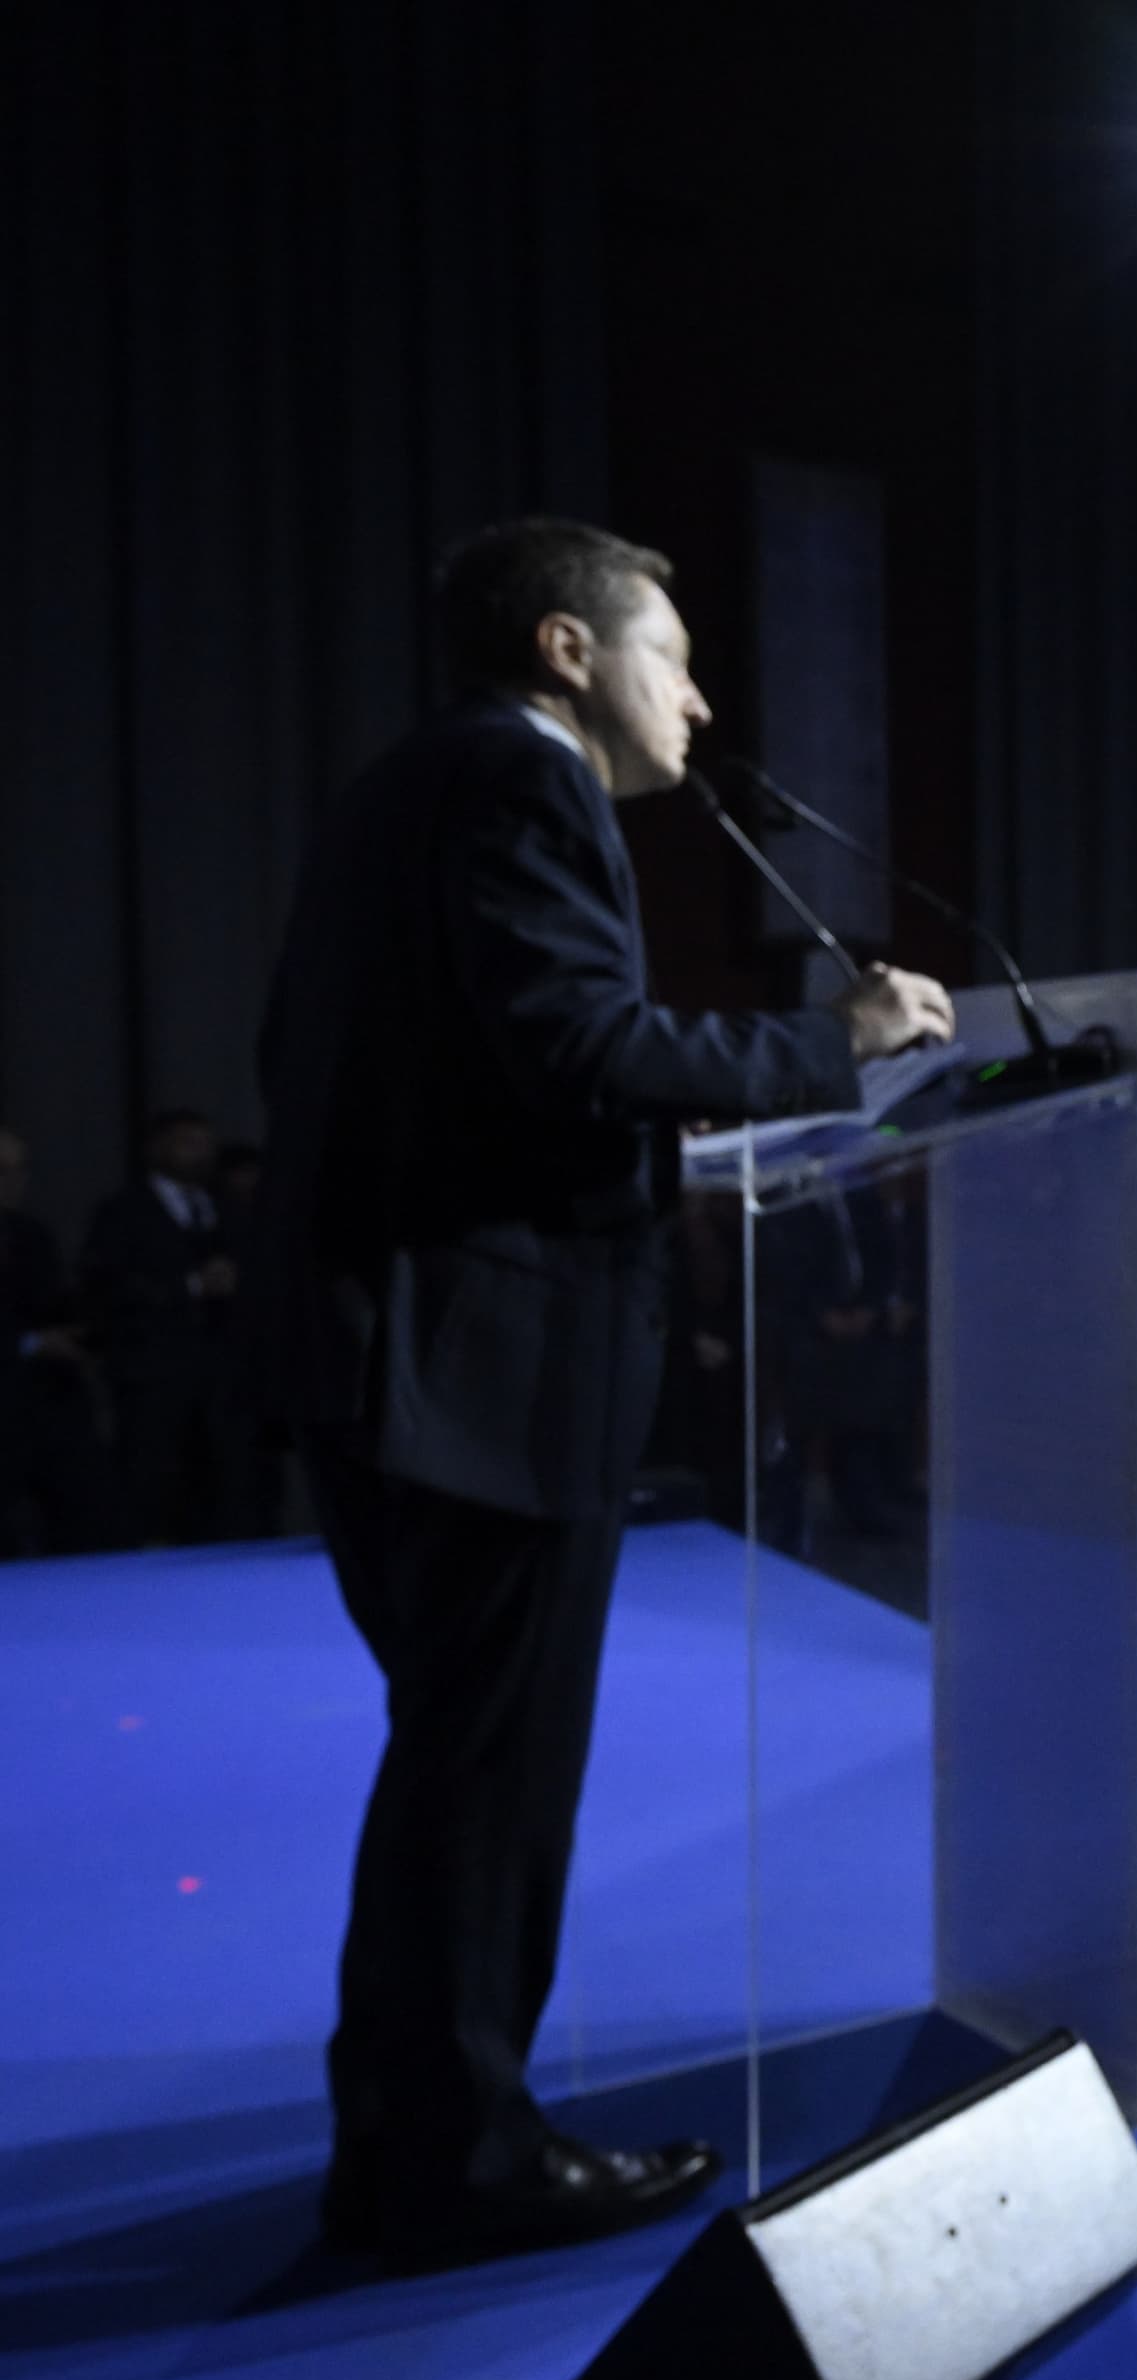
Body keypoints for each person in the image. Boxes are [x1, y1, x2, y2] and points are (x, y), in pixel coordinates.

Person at [247, 518, 953, 2267]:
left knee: (451, 1777)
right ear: (570, 651)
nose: (702, 701)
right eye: (678, 655)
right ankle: (455, 2165)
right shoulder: (517, 781)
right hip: (483, 1374)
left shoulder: (402, 790)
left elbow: (450, 1070)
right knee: (485, 1789)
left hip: (396, 1358)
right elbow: (578, 1047)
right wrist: (835, 1043)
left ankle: (415, 2139)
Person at [80, 1107, 261, 1542]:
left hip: (222, 1374)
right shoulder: (123, 1213)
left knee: (227, 1483)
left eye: (206, 1143)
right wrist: (191, 1285)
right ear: (156, 1147)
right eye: (188, 1142)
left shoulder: (228, 1210)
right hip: (153, 1372)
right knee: (152, 1479)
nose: (200, 1153)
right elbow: (107, 1286)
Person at [0, 1126, 118, 1555]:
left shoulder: (31, 1234)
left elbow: (52, 1302)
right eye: (1, 1170)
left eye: (18, 1169)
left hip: (48, 1398)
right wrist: (28, 1343)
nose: (12, 1181)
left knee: (88, 1512)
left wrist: (81, 1329)